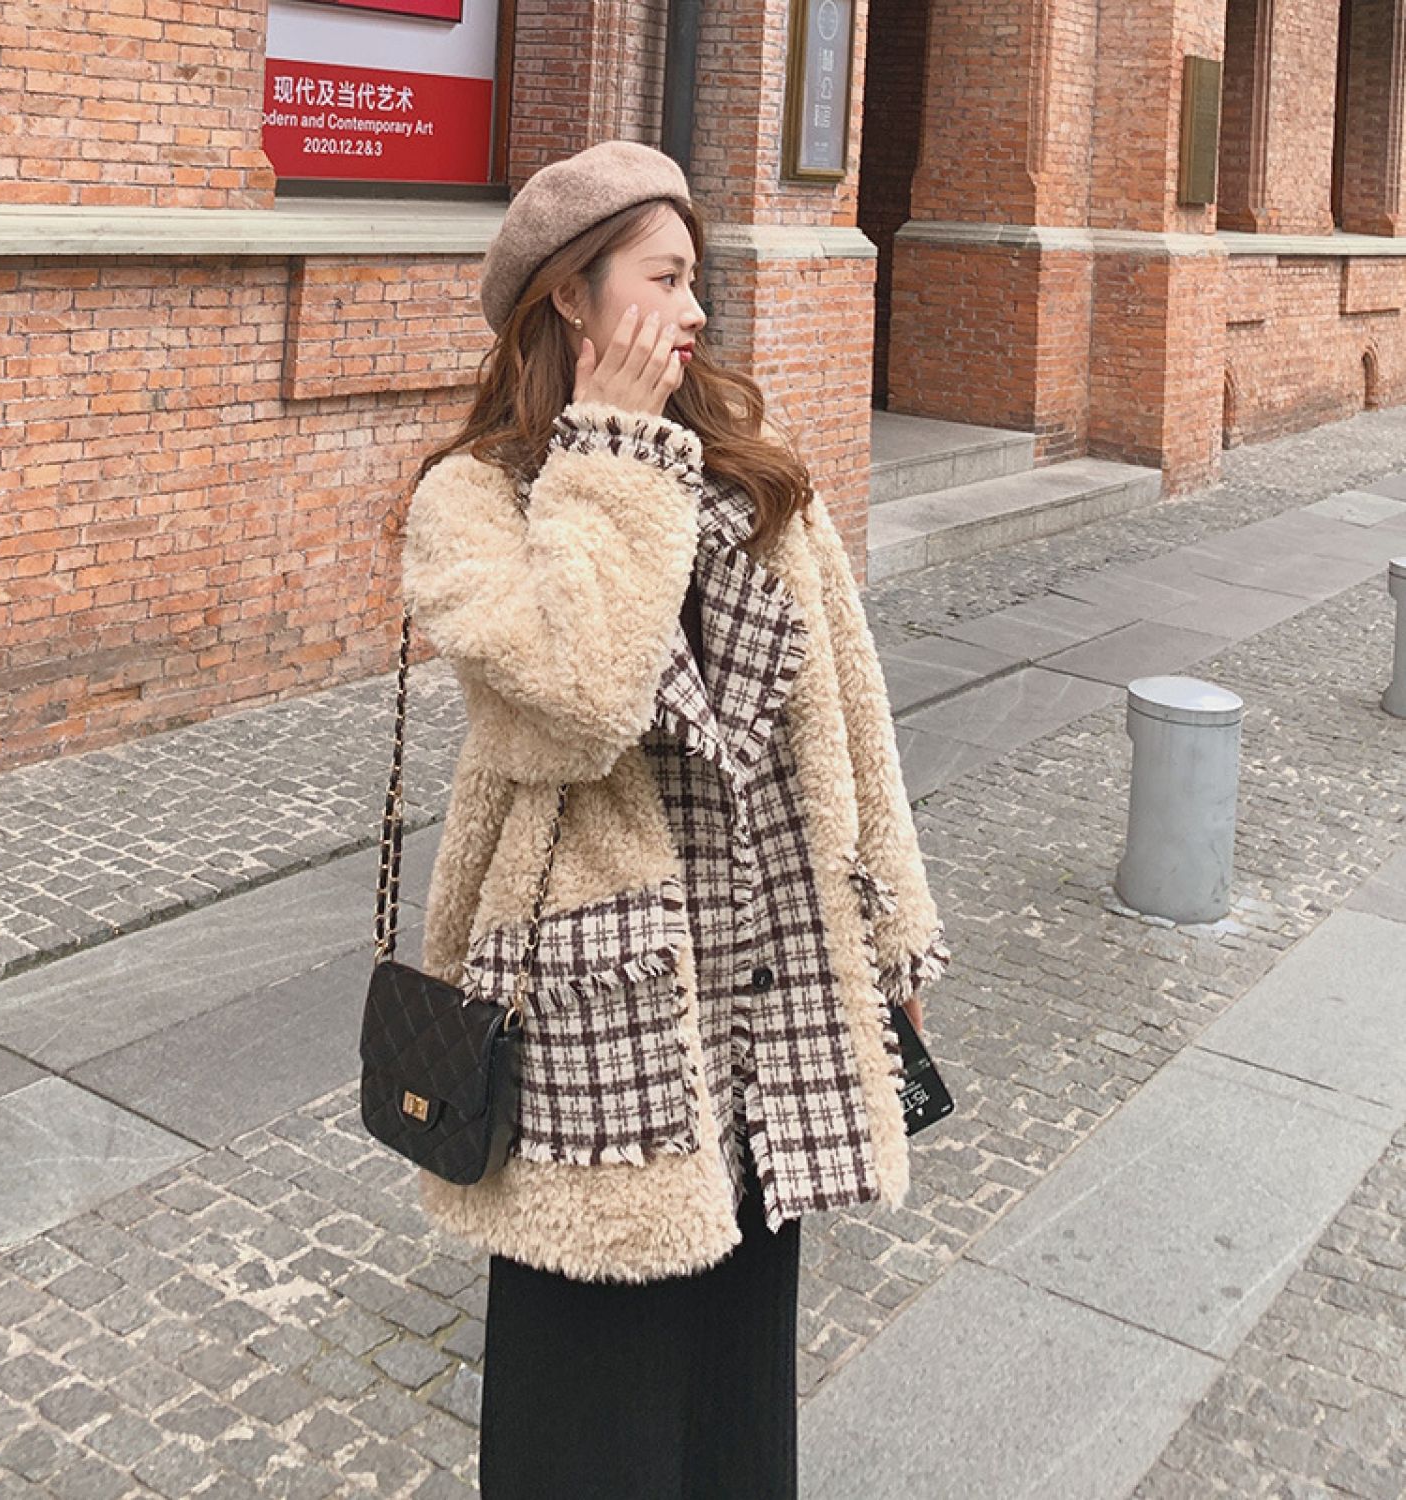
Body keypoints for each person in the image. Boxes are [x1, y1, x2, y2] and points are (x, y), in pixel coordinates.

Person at [399, 138, 951, 1499]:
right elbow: (580, 694)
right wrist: (613, 453)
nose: (696, 309)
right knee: (590, 1409)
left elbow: (852, 712)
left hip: (770, 981)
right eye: (665, 278)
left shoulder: (750, 471)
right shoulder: (472, 500)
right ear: (571, 297)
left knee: (734, 1402)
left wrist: (894, 933)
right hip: (598, 1006)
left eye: (696, 277)